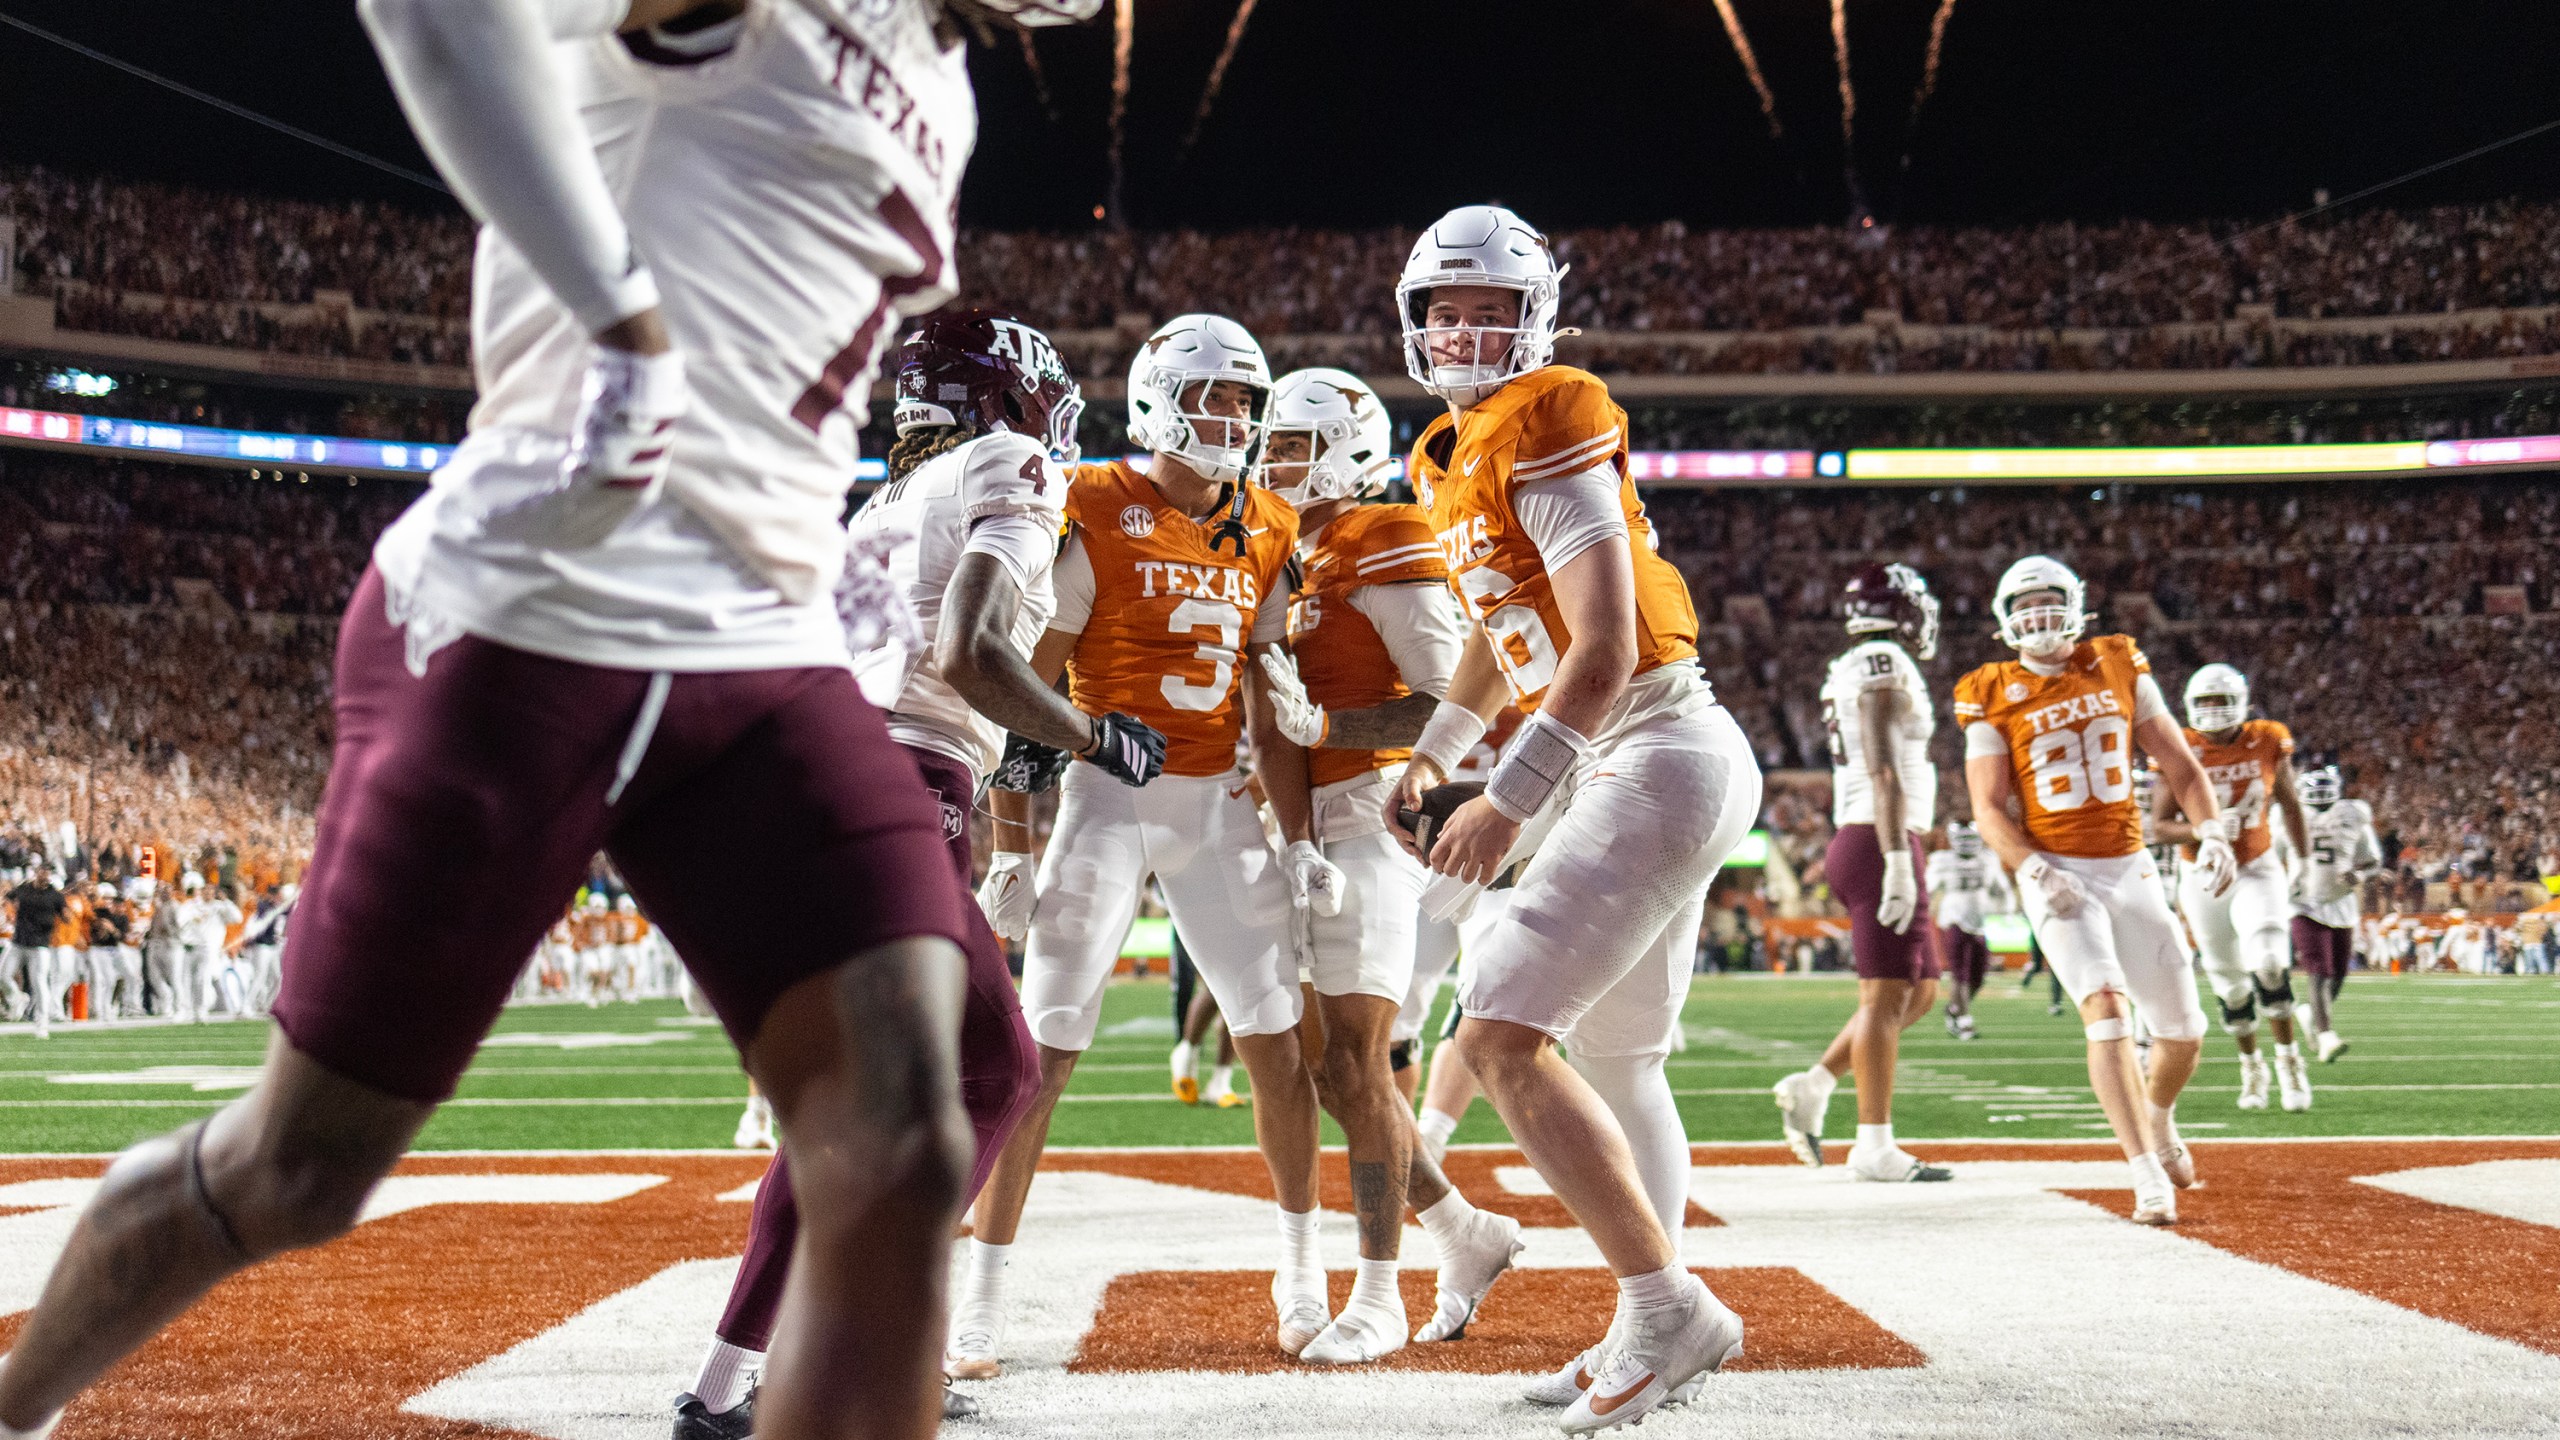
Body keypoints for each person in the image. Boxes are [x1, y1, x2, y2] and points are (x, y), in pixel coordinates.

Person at [0, 0, 1111, 1432]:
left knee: (908, 1136)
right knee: (302, 1165)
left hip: (765, 640)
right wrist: (621, 322)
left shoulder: (942, 82)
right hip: (541, 605)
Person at [673, 308, 1131, 1437]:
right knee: (996, 1074)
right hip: (900, 792)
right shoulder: (1009, 463)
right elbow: (973, 651)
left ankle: (727, 1392)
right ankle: (870, 1343)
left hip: (819, 788)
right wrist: (1090, 737)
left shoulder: (874, 507)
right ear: (999, 397)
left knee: (846, 1109)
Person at [1385, 204, 1765, 1433]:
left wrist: (1504, 798)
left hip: (1652, 743)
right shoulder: (1445, 451)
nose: (1461, 330)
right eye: (1443, 310)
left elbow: (1597, 649)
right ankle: (1643, 1324)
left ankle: (1667, 1309)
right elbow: (1510, 640)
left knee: (1496, 1031)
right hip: (1651, 755)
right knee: (1623, 1061)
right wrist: (1436, 748)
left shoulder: (1550, 408)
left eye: (1487, 310)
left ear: (1532, 318)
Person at [949, 314, 1335, 1381]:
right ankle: (981, 1296)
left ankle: (1301, 1277)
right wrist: (1017, 845)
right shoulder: (1095, 505)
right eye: (1215, 398)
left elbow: (1265, 690)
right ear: (1160, 399)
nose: (1234, 420)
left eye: (1245, 403)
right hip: (1102, 798)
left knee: (1274, 1034)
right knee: (1047, 1042)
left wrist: (1295, 836)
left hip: (1215, 801)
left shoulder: (1265, 521)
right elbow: (1033, 684)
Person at [1254, 366, 1492, 1363]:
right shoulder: (1274, 543)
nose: (1272, 463)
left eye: (1293, 446)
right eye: (1268, 444)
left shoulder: (1382, 536)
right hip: (1289, 819)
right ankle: (1463, 1231)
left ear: (1349, 449)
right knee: (1310, 1063)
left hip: (1368, 810)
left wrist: (1331, 722)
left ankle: (1382, 1292)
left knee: (1356, 1059)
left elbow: (1459, 702)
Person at [1955, 555, 2228, 1227]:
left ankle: (2158, 1120)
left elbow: (2180, 765)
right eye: (2025, 603)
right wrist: (2032, 868)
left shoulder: (2117, 659)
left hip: (2129, 864)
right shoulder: (1988, 687)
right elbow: (1988, 807)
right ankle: (2143, 1173)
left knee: (2184, 1032)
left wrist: (2213, 832)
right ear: (2002, 616)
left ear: (2079, 605)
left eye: (2052, 600)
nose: (2040, 615)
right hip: (2057, 873)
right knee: (2105, 1010)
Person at [1772, 564, 1951, 1182]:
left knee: (1921, 991)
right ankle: (1873, 1145)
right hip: (1878, 839)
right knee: (1884, 997)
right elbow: (1882, 768)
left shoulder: (1860, 661)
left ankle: (1816, 1084)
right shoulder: (1881, 661)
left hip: (1876, 837)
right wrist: (1898, 856)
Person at [2152, 664, 2313, 1112]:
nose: (2214, 711)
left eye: (2221, 701)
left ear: (2241, 703)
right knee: (2231, 986)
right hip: (2202, 873)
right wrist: (2208, 831)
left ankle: (2289, 1061)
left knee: (2268, 960)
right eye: (2204, 703)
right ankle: (2252, 1067)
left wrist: (2302, 859)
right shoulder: (2179, 744)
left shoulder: (2266, 738)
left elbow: (2291, 803)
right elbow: (2159, 826)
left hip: (2257, 865)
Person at [2290, 764, 2380, 1061]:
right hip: (2302, 901)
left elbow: (2373, 862)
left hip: (2341, 901)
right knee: (2318, 971)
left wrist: (2361, 876)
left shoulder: (2352, 815)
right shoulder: (2288, 816)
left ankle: (2309, 1015)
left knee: (2339, 973)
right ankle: (2326, 1036)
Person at [1929, 824, 2013, 1040]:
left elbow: (2000, 887)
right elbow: (1928, 887)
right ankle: (1965, 1021)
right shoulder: (1942, 860)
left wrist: (2008, 908)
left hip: (1980, 922)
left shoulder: (1988, 858)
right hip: (1953, 919)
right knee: (1961, 974)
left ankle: (1954, 1009)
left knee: (1978, 976)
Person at [5, 867, 65, 1039]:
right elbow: (9, 897)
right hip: (19, 941)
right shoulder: (24, 889)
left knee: (39, 982)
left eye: (47, 873)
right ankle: (17, 998)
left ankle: (42, 1024)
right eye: (42, 872)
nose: (44, 876)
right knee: (4, 975)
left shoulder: (54, 895)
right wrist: (12, 908)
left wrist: (64, 917)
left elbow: (64, 913)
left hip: (40, 944)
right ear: (37, 873)